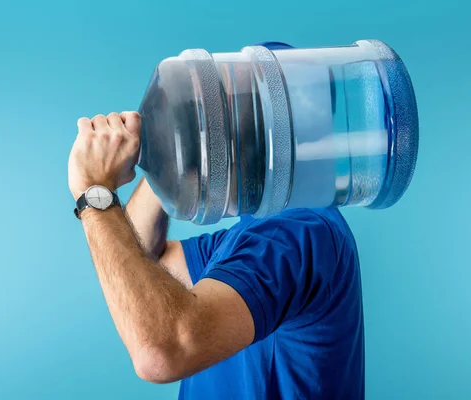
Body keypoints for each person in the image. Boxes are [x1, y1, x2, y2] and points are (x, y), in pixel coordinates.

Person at [68, 111, 365, 399]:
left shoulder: (292, 234)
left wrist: (95, 191)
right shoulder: (248, 237)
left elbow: (160, 351)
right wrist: (169, 159)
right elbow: (146, 262)